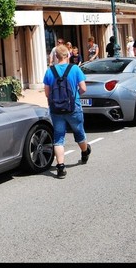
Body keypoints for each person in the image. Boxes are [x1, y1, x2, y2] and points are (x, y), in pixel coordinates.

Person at [43, 44, 90, 179]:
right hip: (73, 107)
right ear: (68, 55)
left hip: (56, 109)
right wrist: (75, 95)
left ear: (56, 57)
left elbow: (47, 92)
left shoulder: (49, 71)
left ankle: (61, 167)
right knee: (79, 131)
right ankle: (85, 152)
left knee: (58, 137)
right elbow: (83, 88)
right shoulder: (75, 69)